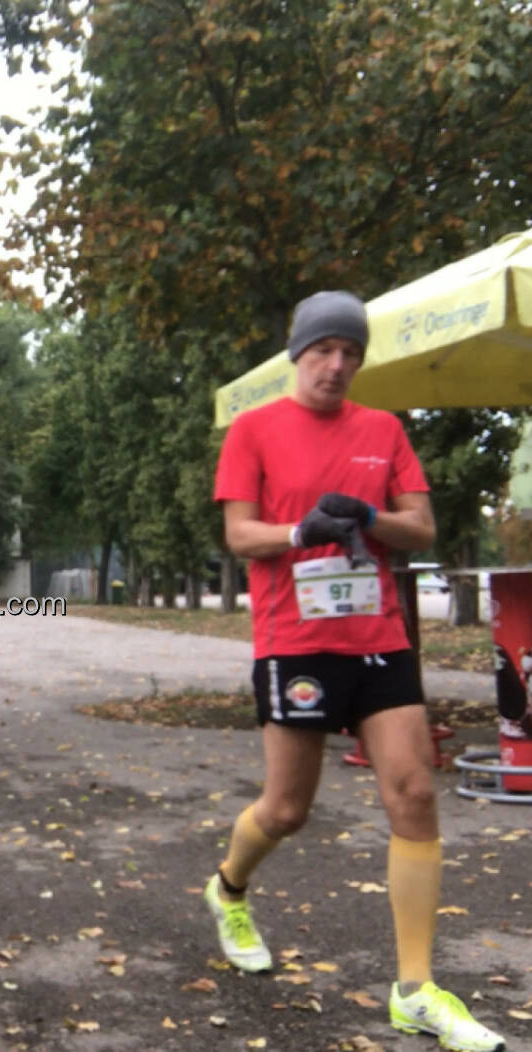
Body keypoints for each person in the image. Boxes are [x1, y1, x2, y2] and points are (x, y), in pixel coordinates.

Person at [208, 290, 506, 1052]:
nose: (338, 366)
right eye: (324, 352)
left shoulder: (382, 430)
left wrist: (370, 518)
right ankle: (230, 888)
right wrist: (299, 529)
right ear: (297, 353)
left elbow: (422, 526)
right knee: (286, 811)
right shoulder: (254, 430)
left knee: (412, 792)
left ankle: (415, 990)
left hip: (379, 638)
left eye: (351, 354)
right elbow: (240, 534)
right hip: (295, 642)